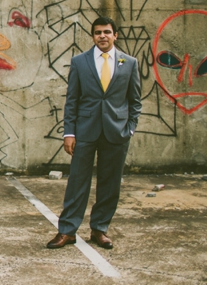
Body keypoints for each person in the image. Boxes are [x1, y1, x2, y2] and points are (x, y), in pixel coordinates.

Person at [47, 17, 141, 250]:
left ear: (115, 35)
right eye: (98, 32)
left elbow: (135, 101)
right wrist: (69, 132)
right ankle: (67, 230)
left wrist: (129, 128)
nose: (102, 36)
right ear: (92, 36)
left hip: (116, 132)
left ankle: (100, 229)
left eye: (107, 32)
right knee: (77, 182)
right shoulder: (80, 62)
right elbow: (72, 100)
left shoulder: (129, 63)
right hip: (84, 132)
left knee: (110, 184)